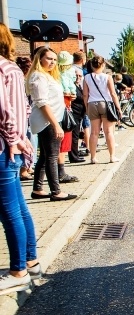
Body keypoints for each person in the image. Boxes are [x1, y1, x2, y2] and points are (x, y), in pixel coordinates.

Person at [0, 24, 41, 294]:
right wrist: (19, 138)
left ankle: (18, 270)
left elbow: (5, 110)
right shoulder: (11, 68)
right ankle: (30, 259)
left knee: (9, 210)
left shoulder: (2, 69)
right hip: (11, 145)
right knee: (18, 207)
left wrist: (12, 138)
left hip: (4, 147)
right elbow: (21, 108)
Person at [26, 47, 77, 201]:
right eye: (49, 58)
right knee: (52, 156)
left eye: (54, 59)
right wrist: (56, 124)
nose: (52, 62)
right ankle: (56, 191)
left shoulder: (47, 76)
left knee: (45, 156)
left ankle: (38, 189)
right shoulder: (39, 77)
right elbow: (42, 103)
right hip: (47, 120)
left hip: (50, 118)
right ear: (39, 59)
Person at [83, 55, 123, 164]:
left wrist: (86, 107)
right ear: (103, 65)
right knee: (108, 131)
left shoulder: (86, 77)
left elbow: (85, 95)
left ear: (91, 65)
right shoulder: (107, 77)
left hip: (92, 103)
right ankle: (112, 156)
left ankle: (93, 157)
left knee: (94, 132)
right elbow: (113, 93)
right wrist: (118, 108)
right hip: (105, 104)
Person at [57, 52, 80, 181]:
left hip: (64, 108)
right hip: (63, 110)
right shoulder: (61, 75)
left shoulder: (58, 74)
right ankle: (60, 173)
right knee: (62, 143)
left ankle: (59, 172)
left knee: (60, 144)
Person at [14, 56, 35, 181]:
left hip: (24, 116)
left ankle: (27, 168)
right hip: (22, 118)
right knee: (27, 141)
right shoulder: (20, 80)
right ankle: (23, 170)